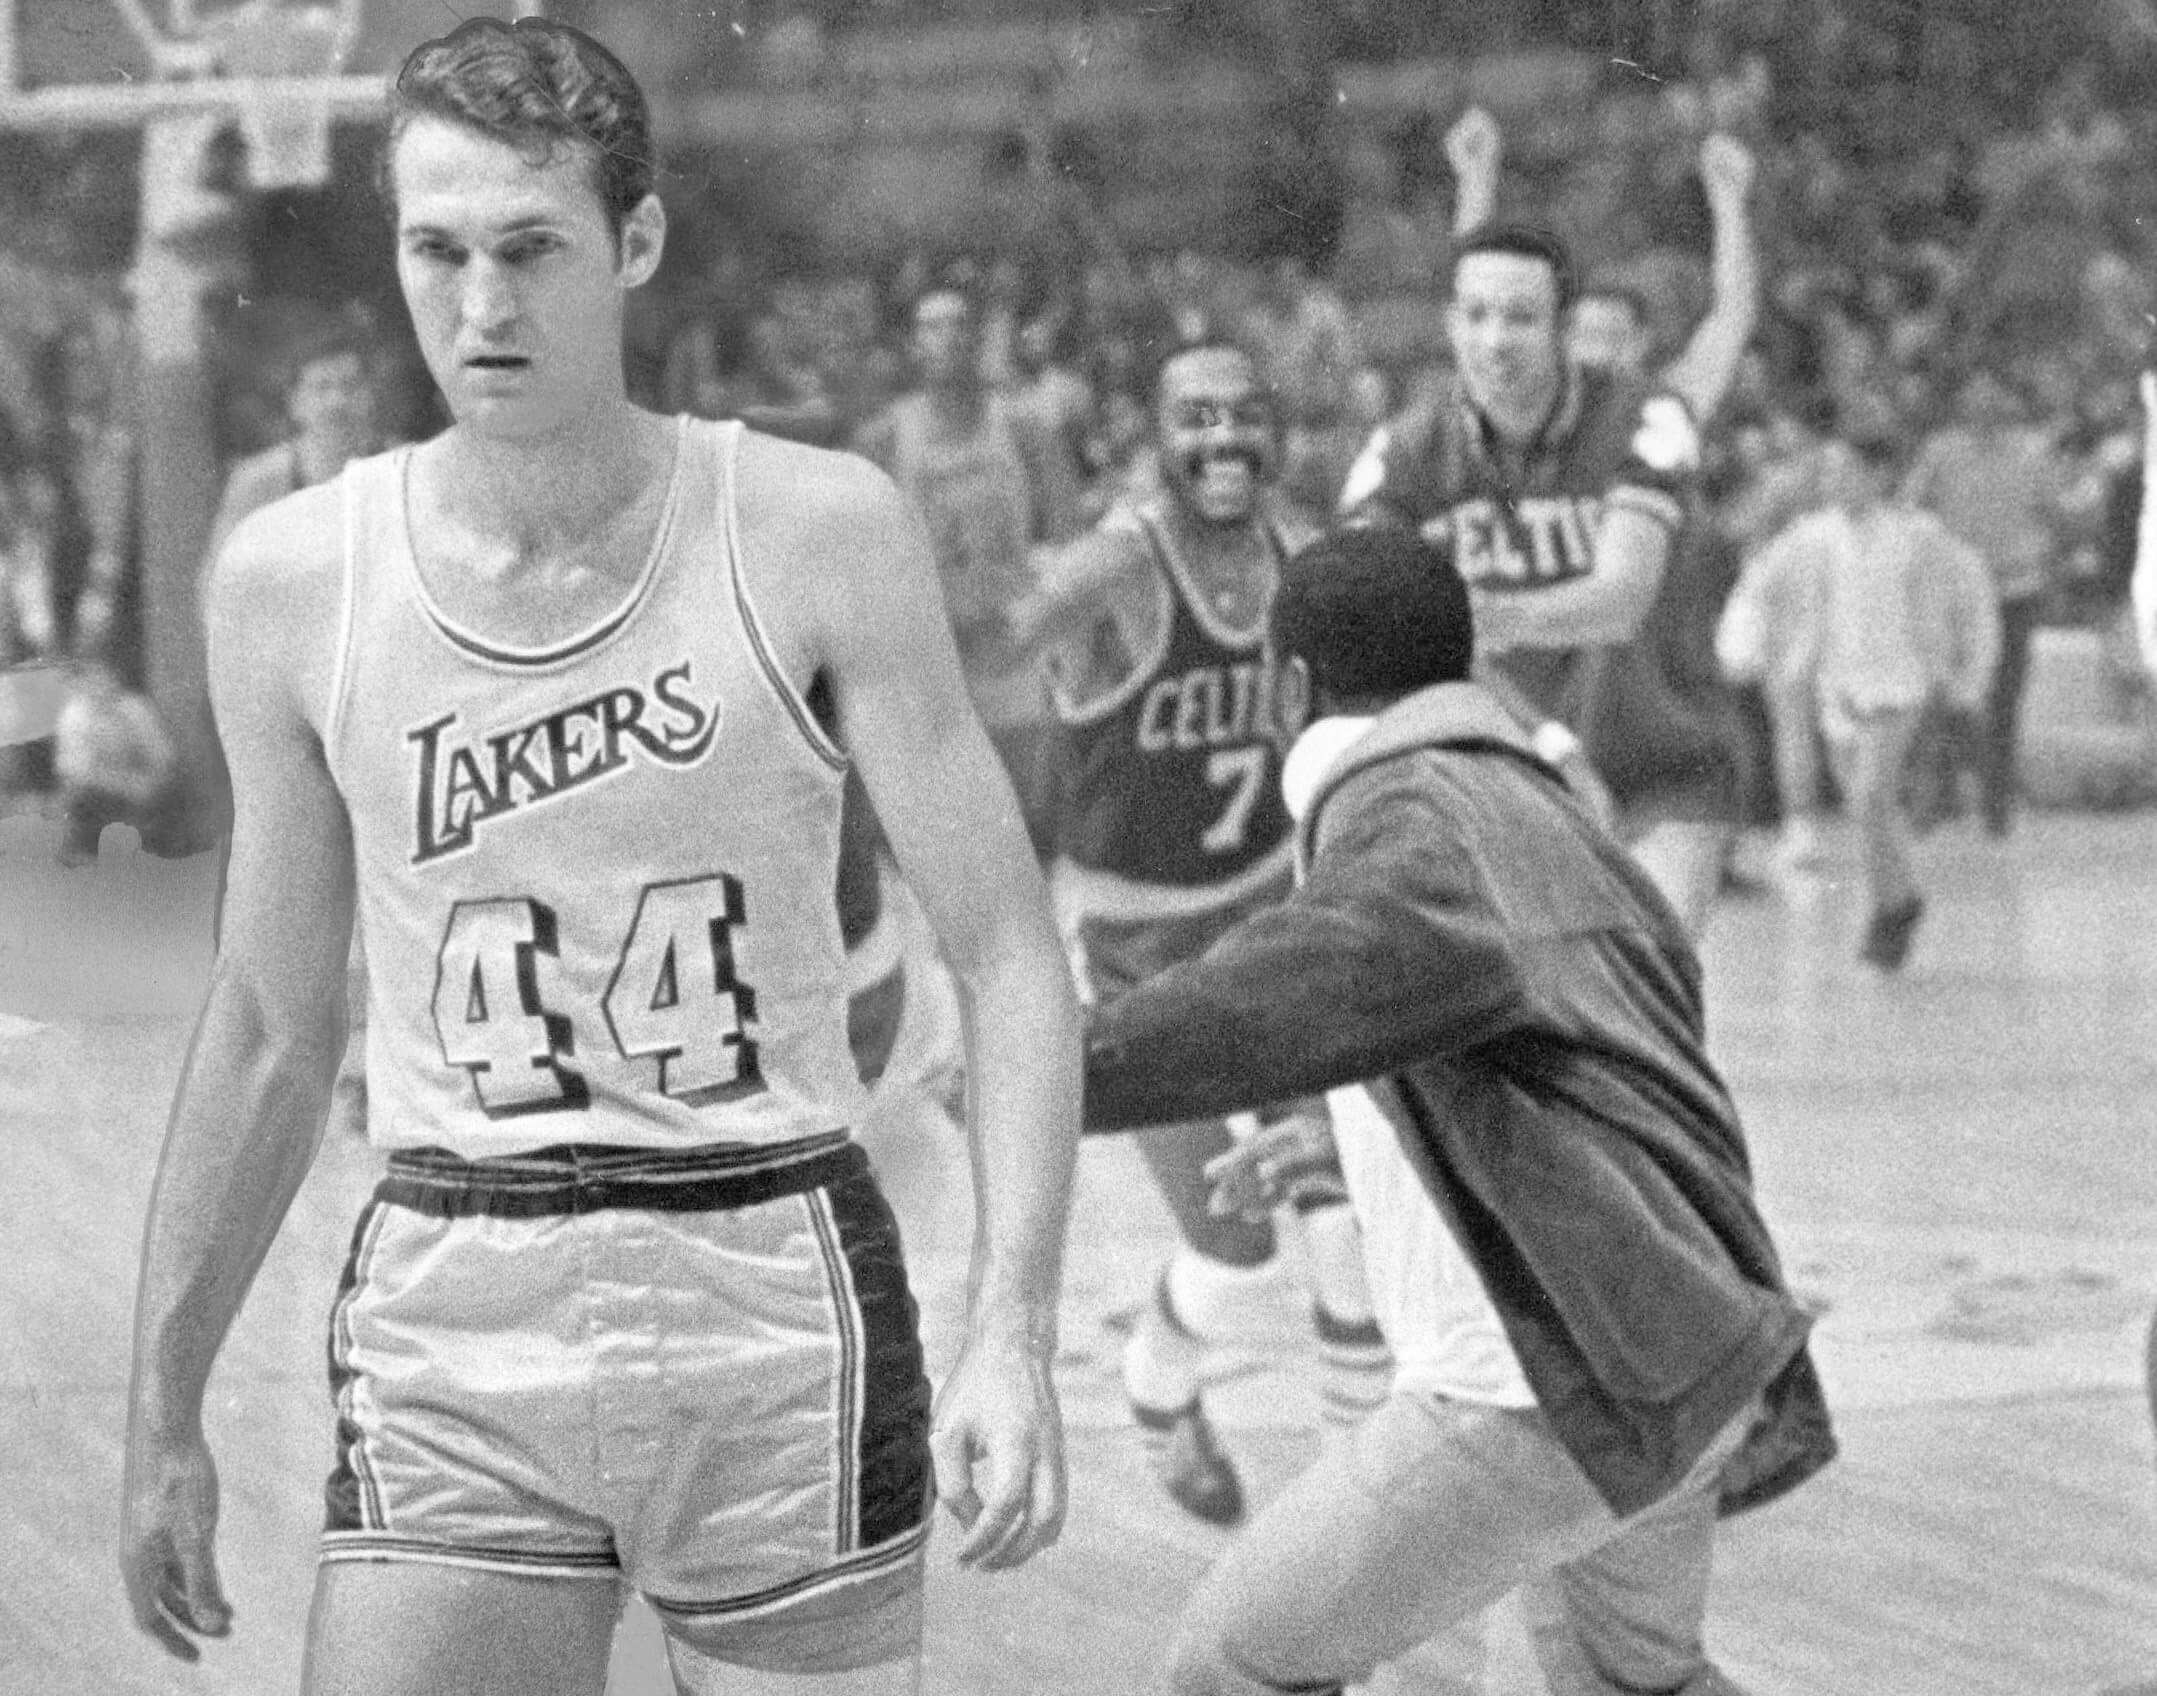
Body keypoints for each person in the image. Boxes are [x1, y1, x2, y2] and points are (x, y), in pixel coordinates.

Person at [118, 20, 1079, 1696]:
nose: (480, 308)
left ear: (633, 244)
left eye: (530, 250)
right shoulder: (292, 578)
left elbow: (1008, 953)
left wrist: (1010, 1327)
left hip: (771, 1278)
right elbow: (272, 1027)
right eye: (437, 250)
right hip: (460, 1288)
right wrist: (161, 1405)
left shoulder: (816, 526)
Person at [1081, 523, 1834, 1696]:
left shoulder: (1404, 809)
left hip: (1548, 1379)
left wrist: (1037, 1068)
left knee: (1230, 1662)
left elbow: (1273, 994)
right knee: (1640, 1687)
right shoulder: (1538, 799)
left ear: (1288, 687)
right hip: (1692, 1341)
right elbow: (1548, 1019)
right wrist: (1349, 1128)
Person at [1004, 341, 1386, 1525]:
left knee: (1343, 1220)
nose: (1224, 442)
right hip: (1141, 966)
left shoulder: (1299, 555)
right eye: (1196, 420)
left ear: (1278, 431)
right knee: (1235, 1246)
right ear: (1156, 436)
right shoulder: (1115, 570)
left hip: (1268, 924)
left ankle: (1361, 1508)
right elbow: (974, 660)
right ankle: (1159, 1391)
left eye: (1245, 417)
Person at [1438, 110, 1763, 932]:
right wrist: (1474, 183)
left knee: (1653, 966)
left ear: (1643, 347)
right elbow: (1480, 299)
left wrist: (1727, 202)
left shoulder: (1660, 415)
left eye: (1612, 341)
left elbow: (1729, 322)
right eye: (1580, 337)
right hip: (1537, 730)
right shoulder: (1504, 423)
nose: (1592, 355)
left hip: (1653, 721)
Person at [1340, 222, 1700, 866]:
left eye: (1521, 319)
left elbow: (1619, 600)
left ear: (1564, 327)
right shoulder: (1405, 450)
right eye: (1475, 316)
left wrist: (1471, 618)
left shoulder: (1643, 415)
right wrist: (1545, 741)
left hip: (1660, 752)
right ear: (1450, 324)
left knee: (1648, 963)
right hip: (1510, 752)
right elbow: (1378, 621)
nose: (1495, 341)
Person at [1721, 428, 2000, 968]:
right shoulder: (1812, 537)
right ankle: (1901, 898)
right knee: (1866, 809)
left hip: (1903, 683)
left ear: (1880, 476)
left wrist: (1971, 674)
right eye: (1829, 472)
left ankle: (1886, 913)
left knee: (1872, 796)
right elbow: (1759, 586)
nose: (1835, 482)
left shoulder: (1919, 536)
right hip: (1838, 688)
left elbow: (1973, 595)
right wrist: (1743, 644)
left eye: (1848, 470)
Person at [853, 285, 1086, 852]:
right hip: (932, 656)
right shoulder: (886, 435)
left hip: (1014, 649)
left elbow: (1070, 532)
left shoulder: (1025, 428)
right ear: (913, 345)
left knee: (1032, 823)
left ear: (979, 340)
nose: (947, 339)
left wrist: (1055, 622)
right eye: (931, 328)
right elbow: (853, 553)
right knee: (939, 829)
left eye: (959, 326)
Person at [1899, 370, 2076, 835]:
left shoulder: (2033, 453)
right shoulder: (1942, 452)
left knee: (2004, 697)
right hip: (1954, 592)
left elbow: (2057, 515)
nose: (1984, 406)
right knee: (1940, 692)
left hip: (2015, 588)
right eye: (1975, 396)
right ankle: (1936, 796)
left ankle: (1995, 803)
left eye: (1993, 396)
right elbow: (1911, 506)